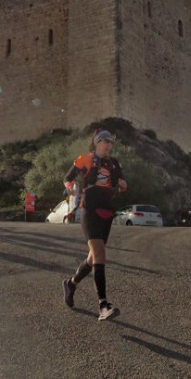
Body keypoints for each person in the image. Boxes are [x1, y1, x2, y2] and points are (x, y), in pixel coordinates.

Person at [61, 129, 127, 321]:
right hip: (89, 210)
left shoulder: (114, 164)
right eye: (105, 141)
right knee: (100, 254)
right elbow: (68, 178)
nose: (108, 145)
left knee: (93, 258)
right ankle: (103, 305)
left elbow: (123, 184)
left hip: (107, 211)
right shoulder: (85, 159)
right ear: (97, 142)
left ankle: (71, 283)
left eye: (111, 142)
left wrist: (123, 185)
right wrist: (70, 189)